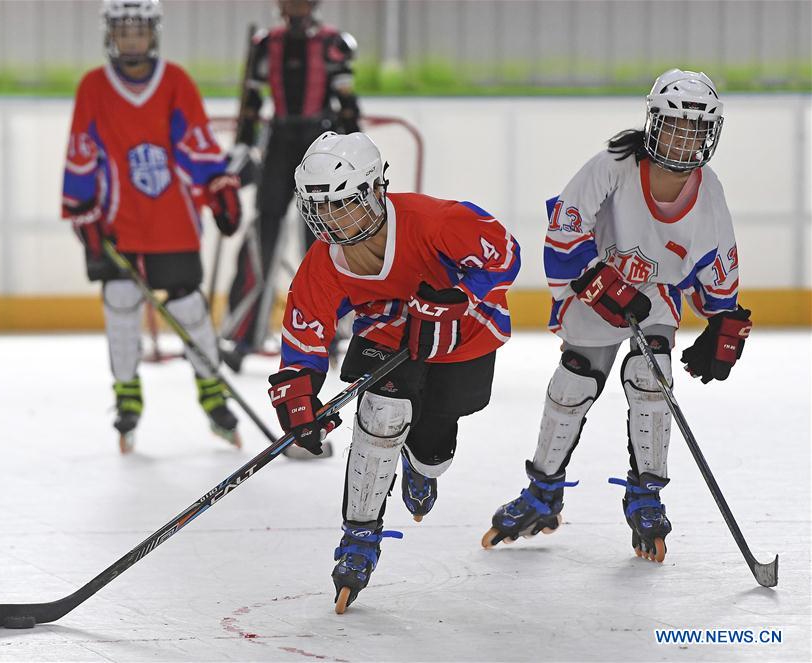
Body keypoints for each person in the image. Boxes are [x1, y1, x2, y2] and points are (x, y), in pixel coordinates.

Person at [483, 69, 753, 564]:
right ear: (654, 124)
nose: (682, 139)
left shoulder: (708, 191)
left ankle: (646, 496)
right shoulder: (613, 164)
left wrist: (723, 320)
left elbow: (719, 262)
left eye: (695, 130)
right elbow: (566, 228)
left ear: (710, 135)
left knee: (653, 375)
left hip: (654, 297)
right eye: (673, 126)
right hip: (595, 280)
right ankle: (543, 492)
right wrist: (597, 280)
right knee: (574, 381)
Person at [266, 131, 522, 612]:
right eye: (319, 209)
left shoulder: (437, 221)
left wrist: (459, 296)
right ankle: (359, 538)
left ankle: (419, 465)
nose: (332, 221)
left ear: (376, 190)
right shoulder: (324, 261)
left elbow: (505, 255)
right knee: (380, 416)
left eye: (342, 204)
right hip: (387, 333)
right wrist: (299, 396)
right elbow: (305, 332)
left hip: (461, 334)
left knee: (433, 452)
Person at [61, 0, 243, 452]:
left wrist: (217, 185)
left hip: (171, 220)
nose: (132, 39)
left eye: (139, 30)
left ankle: (212, 390)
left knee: (188, 309)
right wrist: (82, 209)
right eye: (123, 31)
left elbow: (196, 140)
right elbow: (81, 148)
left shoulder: (176, 81)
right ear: (111, 35)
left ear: (153, 34)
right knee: (120, 302)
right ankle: (126, 395)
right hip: (118, 220)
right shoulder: (93, 86)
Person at [222, 0, 361, 372]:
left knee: (321, 241)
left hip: (320, 142)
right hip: (278, 143)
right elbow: (250, 104)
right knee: (262, 238)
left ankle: (328, 335)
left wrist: (355, 152)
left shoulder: (333, 43)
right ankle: (242, 335)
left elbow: (348, 106)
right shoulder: (265, 43)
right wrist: (241, 145)